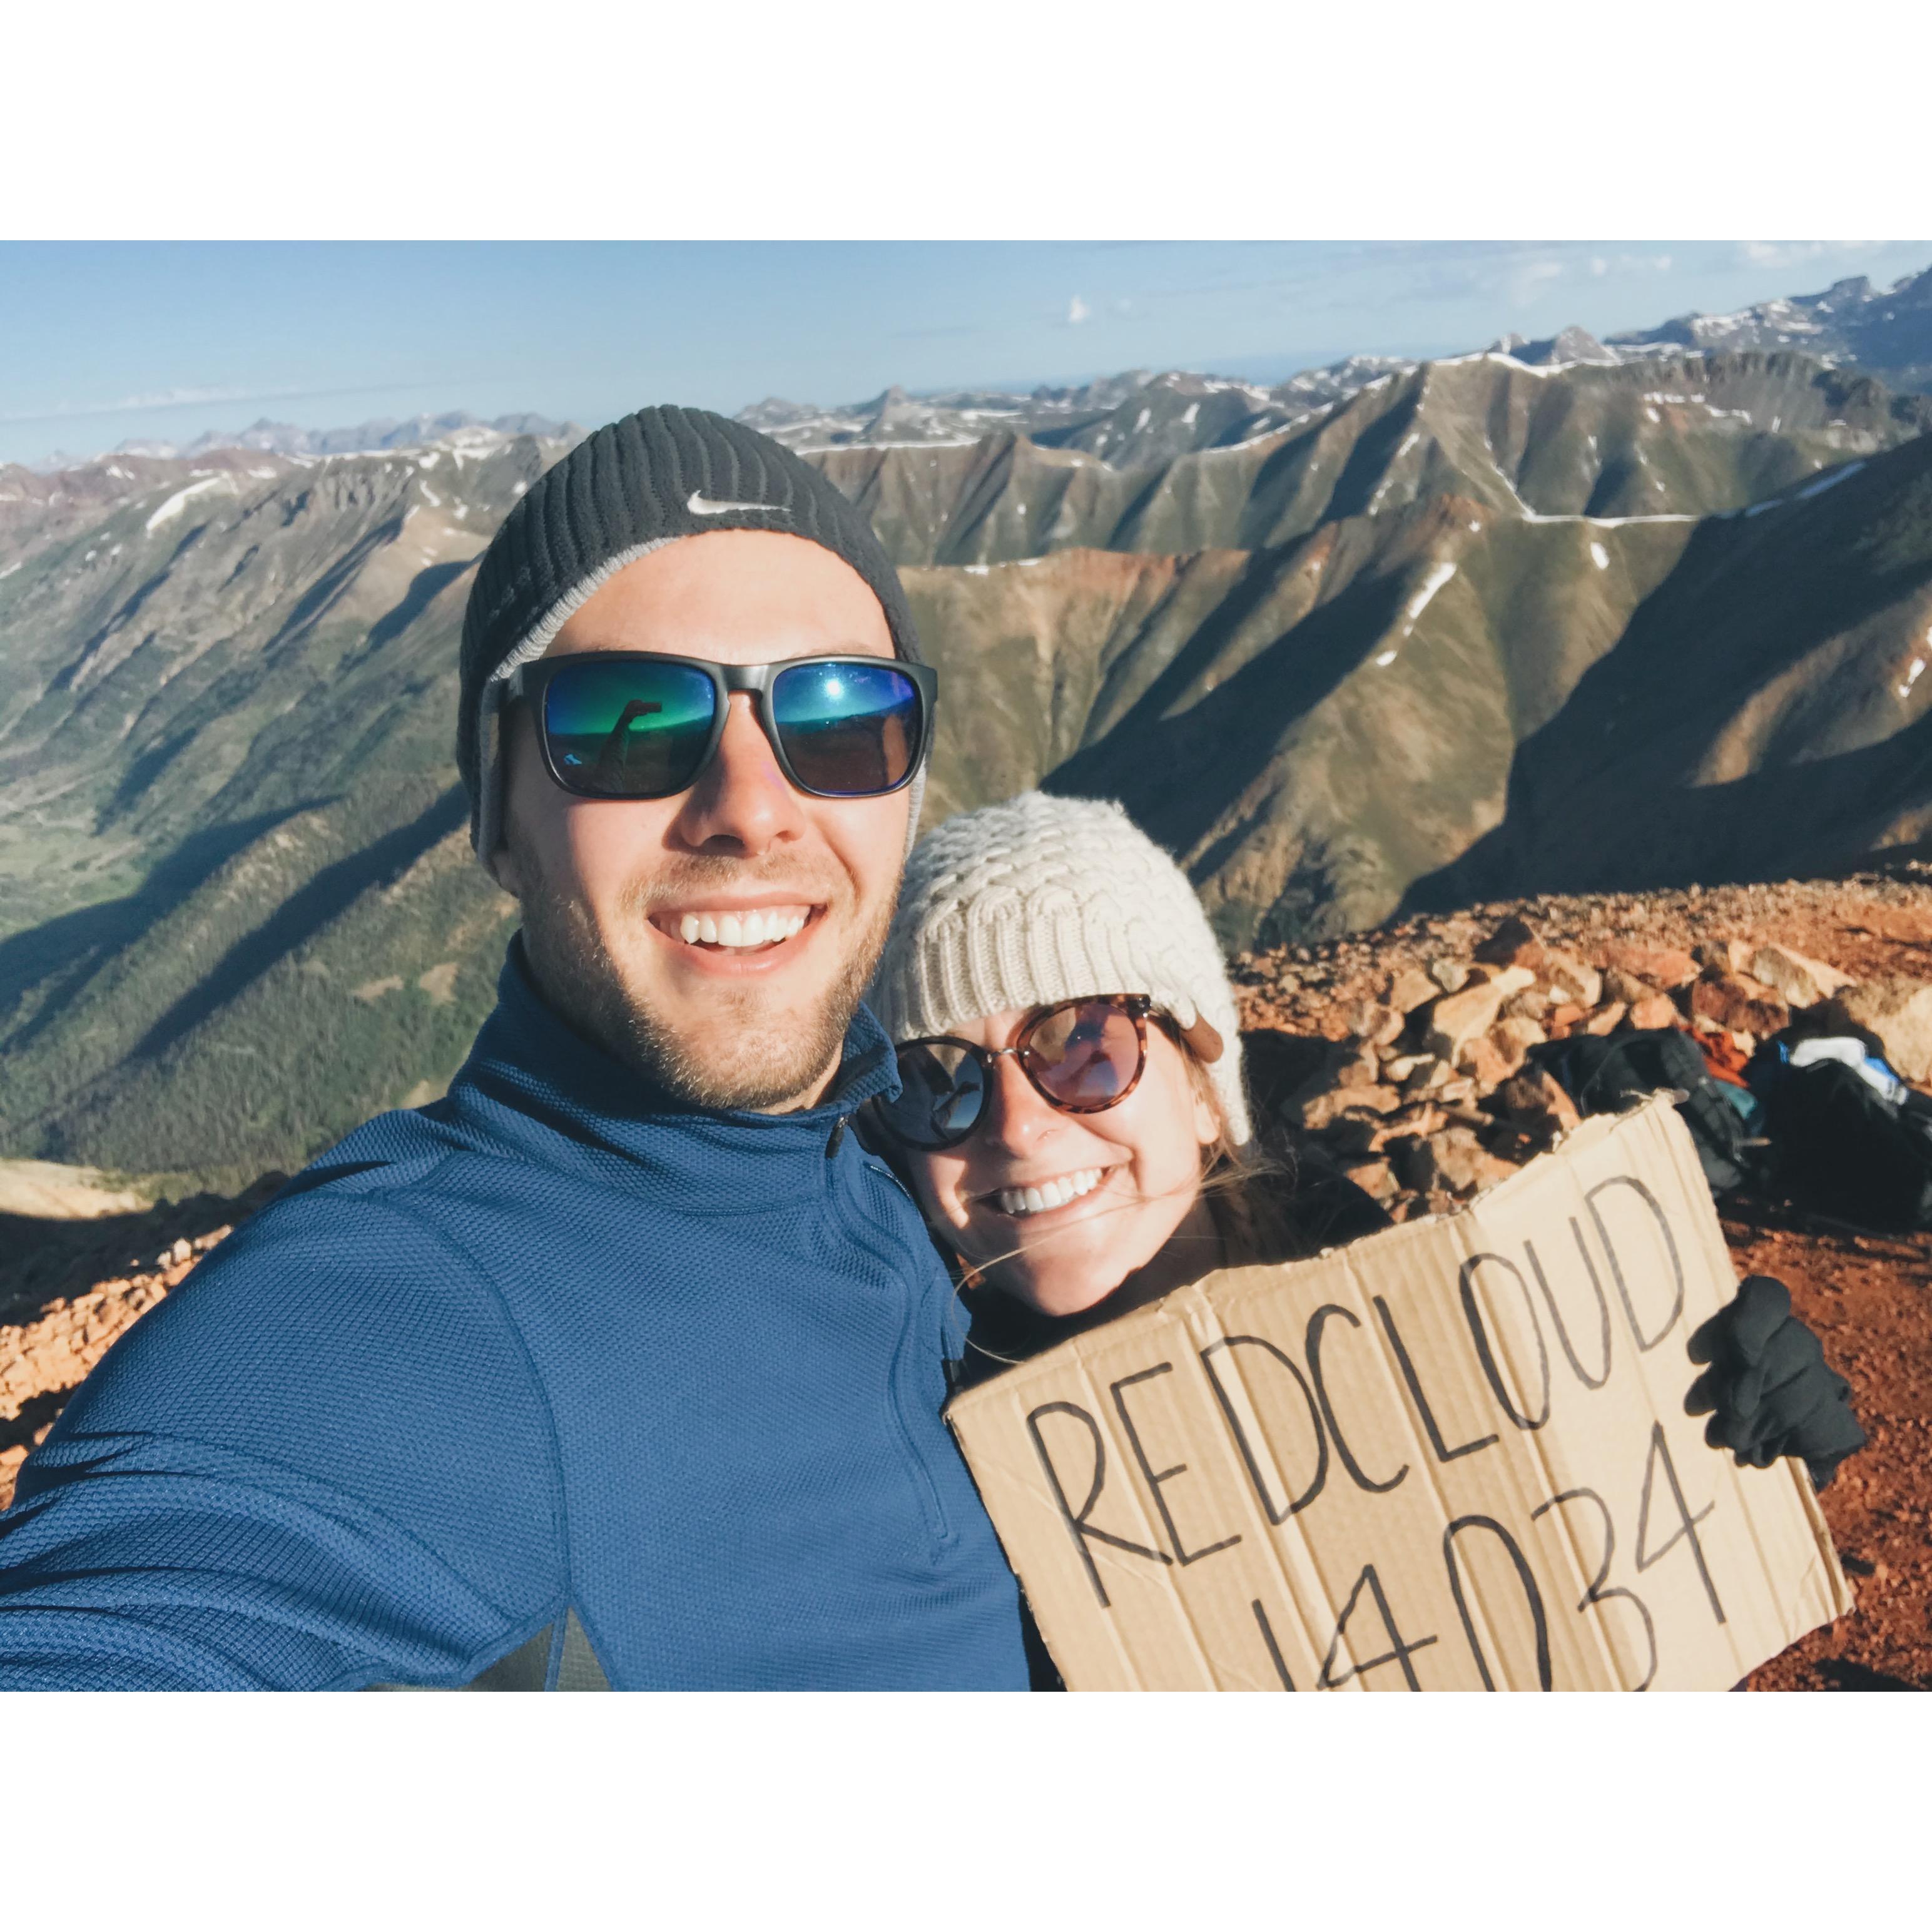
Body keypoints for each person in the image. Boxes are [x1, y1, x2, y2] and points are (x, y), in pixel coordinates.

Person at [0, 405, 1031, 1690]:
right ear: (501, 822)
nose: (752, 808)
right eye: (628, 724)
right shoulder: (401, 1323)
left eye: (840, 717)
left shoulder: (905, 1163)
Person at [865, 791, 1866, 1470]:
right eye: (935, 1076)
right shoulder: (907, 1444)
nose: (1018, 1128)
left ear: (1206, 1085)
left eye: (1082, 1043)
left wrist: (1726, 1419)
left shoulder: (1405, 1295)